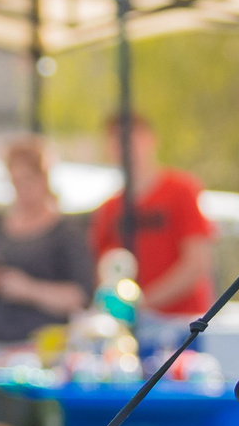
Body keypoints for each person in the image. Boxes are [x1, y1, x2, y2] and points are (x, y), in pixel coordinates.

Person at [87, 116, 215, 331]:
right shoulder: (109, 209)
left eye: (131, 139)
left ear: (150, 140)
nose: (125, 149)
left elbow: (197, 264)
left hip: (183, 324)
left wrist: (143, 302)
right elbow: (103, 270)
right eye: (116, 141)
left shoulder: (181, 191)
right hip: (129, 328)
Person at [0, 135, 93, 346]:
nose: (22, 190)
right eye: (15, 181)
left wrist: (28, 289)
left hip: (46, 343)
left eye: (27, 179)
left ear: (43, 178)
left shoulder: (66, 231)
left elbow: (81, 296)